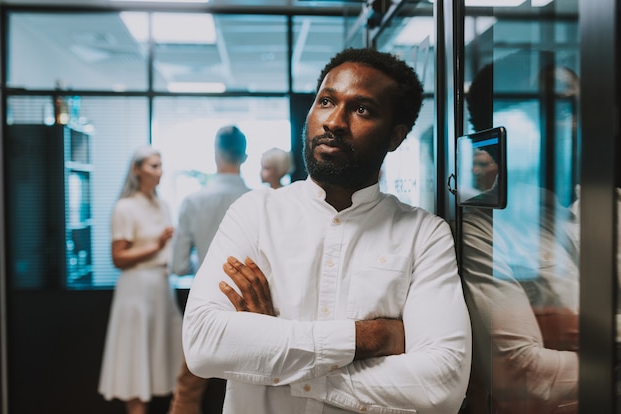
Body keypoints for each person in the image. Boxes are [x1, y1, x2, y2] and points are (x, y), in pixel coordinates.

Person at [182, 47, 472, 414]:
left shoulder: (423, 235)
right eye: (326, 101)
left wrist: (278, 361)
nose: (334, 121)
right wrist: (371, 338)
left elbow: (440, 384)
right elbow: (204, 343)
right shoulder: (254, 213)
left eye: (361, 109)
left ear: (395, 136)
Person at [460, 53, 580, 413]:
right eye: (561, 108)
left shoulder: (591, 209)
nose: (578, 124)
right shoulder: (481, 226)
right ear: (508, 125)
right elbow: (521, 374)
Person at [168, 125, 250, 414]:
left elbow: (177, 265)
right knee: (250, 389)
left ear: (216, 154)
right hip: (248, 308)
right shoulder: (258, 201)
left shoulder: (192, 201)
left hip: (204, 305)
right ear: (245, 156)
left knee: (188, 391)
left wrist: (204, 265)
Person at [98, 146, 183, 414]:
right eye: (153, 166)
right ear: (137, 170)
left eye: (160, 165)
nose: (160, 171)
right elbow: (118, 257)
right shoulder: (125, 207)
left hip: (161, 288)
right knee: (135, 361)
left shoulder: (163, 205)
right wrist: (156, 245)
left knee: (166, 360)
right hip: (136, 290)